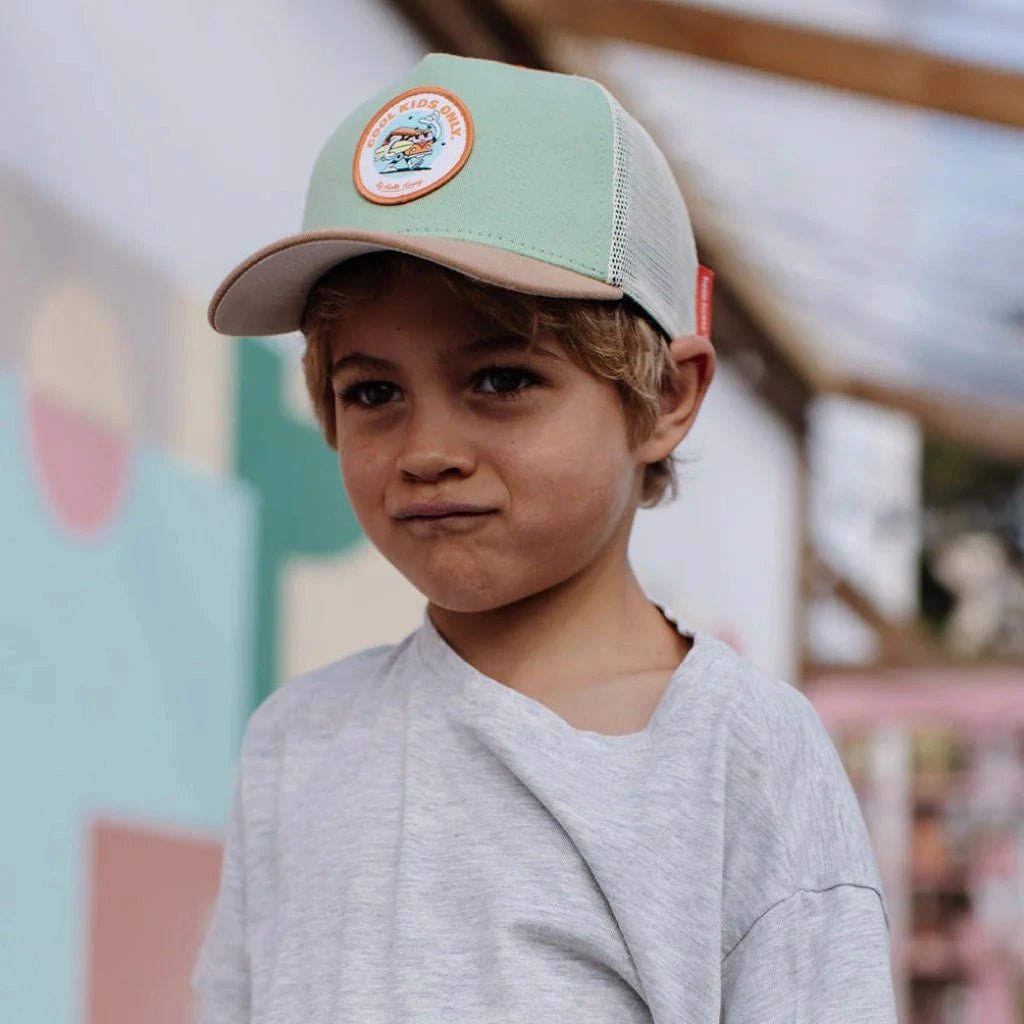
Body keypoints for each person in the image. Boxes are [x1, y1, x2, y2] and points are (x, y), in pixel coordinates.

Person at [194, 52, 897, 1023]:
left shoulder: (741, 758)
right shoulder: (296, 742)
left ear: (665, 397)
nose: (427, 451)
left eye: (501, 379)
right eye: (374, 392)